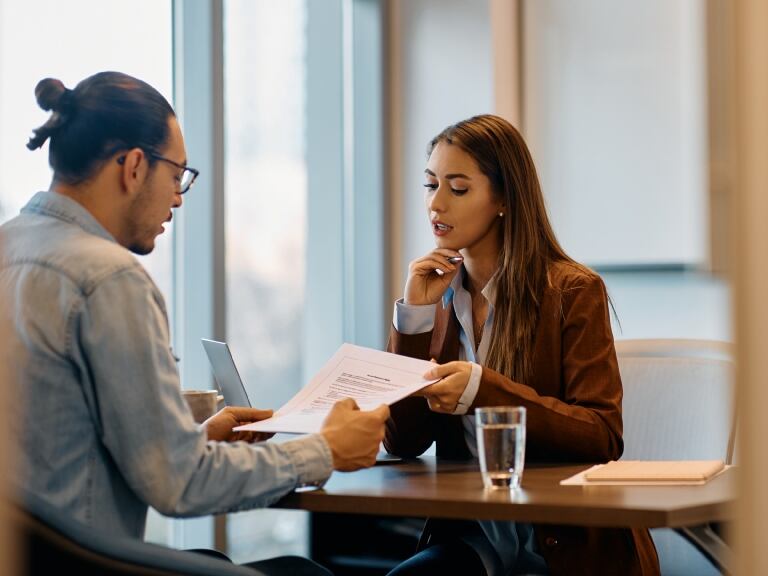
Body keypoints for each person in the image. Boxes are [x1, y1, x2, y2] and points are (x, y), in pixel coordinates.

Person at [0, 71, 389, 575]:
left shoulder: (12, 247)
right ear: (135, 166)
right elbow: (178, 484)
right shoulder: (108, 278)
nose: (180, 198)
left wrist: (197, 439)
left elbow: (56, 446)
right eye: (177, 174)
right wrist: (326, 450)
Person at [383, 114, 659, 575]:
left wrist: (481, 391)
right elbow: (404, 441)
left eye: (458, 187)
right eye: (430, 185)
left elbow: (602, 435)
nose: (436, 204)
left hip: (563, 544)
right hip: (476, 538)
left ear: (504, 198)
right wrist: (413, 315)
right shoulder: (439, 297)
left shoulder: (572, 291)